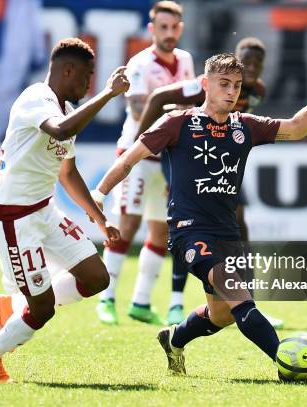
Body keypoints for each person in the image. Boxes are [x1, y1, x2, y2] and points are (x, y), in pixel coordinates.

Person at [90, 53, 307, 380]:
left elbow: (295, 128)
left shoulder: (245, 126)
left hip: (227, 235)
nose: (232, 91)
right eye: (224, 84)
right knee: (240, 298)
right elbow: (128, 160)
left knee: (222, 314)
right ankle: (287, 363)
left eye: (236, 85)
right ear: (205, 84)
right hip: (189, 233)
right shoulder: (177, 123)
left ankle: (174, 338)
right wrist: (98, 195)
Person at [0, 37, 130, 382]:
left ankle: (11, 308)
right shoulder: (36, 99)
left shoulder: (64, 110)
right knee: (42, 310)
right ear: (68, 70)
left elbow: (68, 173)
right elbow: (62, 130)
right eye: (87, 76)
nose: (89, 84)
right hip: (13, 216)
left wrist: (100, 220)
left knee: (97, 278)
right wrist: (109, 93)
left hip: (43, 210)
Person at [134, 37, 283, 328]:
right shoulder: (203, 88)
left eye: (256, 63)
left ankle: (245, 298)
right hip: (186, 157)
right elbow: (159, 99)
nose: (250, 67)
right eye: (246, 60)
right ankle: (176, 301)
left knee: (240, 225)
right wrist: (140, 142)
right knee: (188, 225)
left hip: (221, 162)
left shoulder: (257, 92)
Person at [95, 1, 196, 326]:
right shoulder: (139, 63)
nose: (169, 33)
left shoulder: (185, 60)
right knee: (127, 225)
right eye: (162, 28)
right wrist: (175, 108)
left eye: (174, 27)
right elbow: (140, 111)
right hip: (136, 155)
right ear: (152, 30)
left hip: (167, 158)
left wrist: (172, 107)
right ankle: (106, 298)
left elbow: (191, 104)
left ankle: (140, 301)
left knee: (160, 228)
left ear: (180, 28)